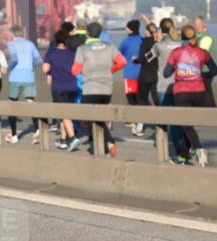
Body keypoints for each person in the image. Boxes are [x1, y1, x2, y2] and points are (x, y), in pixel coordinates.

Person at [163, 25, 217, 166]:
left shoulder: (176, 52)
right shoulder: (203, 53)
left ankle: (199, 150)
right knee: (188, 126)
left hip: (182, 92)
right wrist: (199, 74)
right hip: (199, 92)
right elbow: (214, 70)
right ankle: (182, 157)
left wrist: (178, 68)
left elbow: (166, 73)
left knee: (186, 126)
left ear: (182, 37)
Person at [72, 23, 126, 155]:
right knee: (100, 118)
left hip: (90, 89)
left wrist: (86, 72)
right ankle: (108, 145)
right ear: (100, 33)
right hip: (107, 89)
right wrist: (110, 70)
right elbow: (123, 62)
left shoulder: (83, 49)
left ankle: (107, 145)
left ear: (87, 34)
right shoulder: (110, 47)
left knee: (91, 120)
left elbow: (75, 70)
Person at [5, 24, 43, 144]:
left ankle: (14, 136)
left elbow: (14, 59)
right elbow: (39, 60)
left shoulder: (11, 45)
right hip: (28, 77)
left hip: (15, 77)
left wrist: (8, 68)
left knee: (12, 106)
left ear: (12, 34)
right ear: (22, 33)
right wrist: (29, 66)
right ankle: (37, 130)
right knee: (31, 103)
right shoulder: (30, 44)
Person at [42, 31, 79, 149]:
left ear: (56, 42)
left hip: (59, 87)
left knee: (63, 113)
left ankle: (73, 138)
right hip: (72, 86)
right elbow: (78, 69)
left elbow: (45, 69)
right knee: (66, 114)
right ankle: (63, 140)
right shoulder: (73, 53)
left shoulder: (51, 54)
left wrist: (50, 71)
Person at [155, 18, 184, 159]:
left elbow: (147, 58)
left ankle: (179, 149)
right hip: (181, 85)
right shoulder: (180, 44)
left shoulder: (159, 46)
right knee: (181, 117)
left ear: (161, 30)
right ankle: (186, 145)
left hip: (163, 85)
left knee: (169, 119)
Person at [118, 19, 143, 114]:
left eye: (126, 27)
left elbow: (118, 55)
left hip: (130, 74)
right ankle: (139, 119)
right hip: (142, 74)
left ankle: (135, 119)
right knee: (139, 98)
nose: (125, 29)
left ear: (130, 29)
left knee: (131, 97)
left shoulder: (125, 42)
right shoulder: (142, 40)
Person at [195, 15, 217, 108]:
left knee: (206, 92)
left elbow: (201, 54)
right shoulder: (201, 37)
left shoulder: (206, 37)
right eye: (196, 24)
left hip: (207, 70)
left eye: (199, 24)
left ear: (203, 24)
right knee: (206, 92)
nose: (197, 26)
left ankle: (212, 112)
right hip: (206, 69)